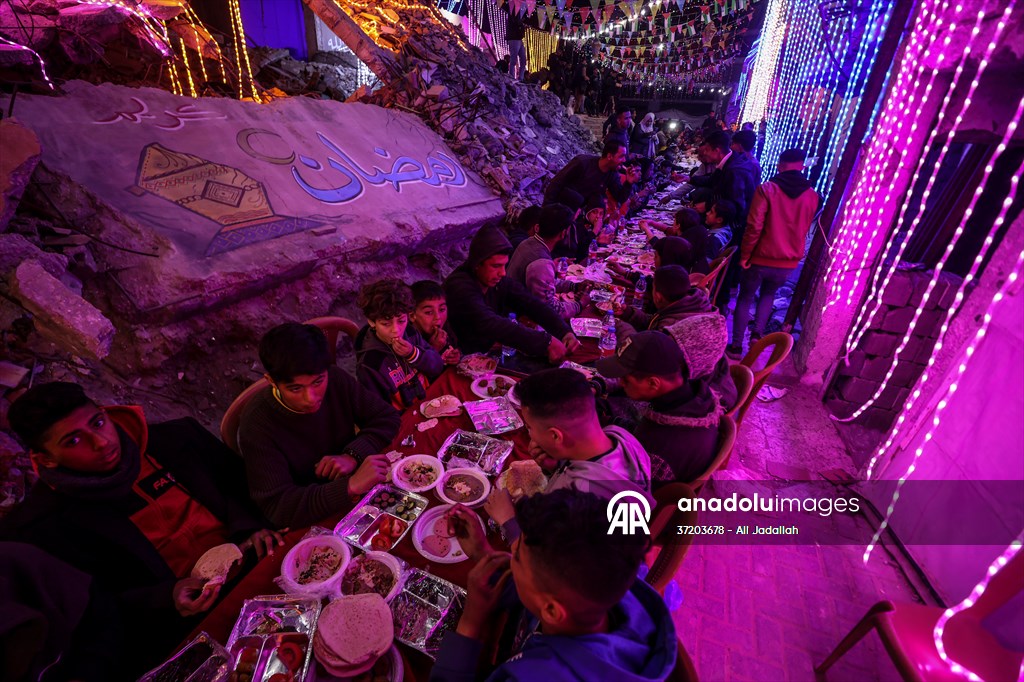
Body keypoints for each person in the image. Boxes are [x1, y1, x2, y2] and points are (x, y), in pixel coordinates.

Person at [0, 382, 284, 676]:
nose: (101, 442)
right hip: (189, 622)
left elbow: (240, 483)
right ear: (46, 458)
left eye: (98, 422)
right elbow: (95, 610)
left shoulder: (177, 439)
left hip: (262, 562)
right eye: (73, 441)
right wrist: (166, 597)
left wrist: (249, 528)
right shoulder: (43, 529)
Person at [431, 489, 677, 682]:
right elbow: (538, 594)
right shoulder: (606, 583)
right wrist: (482, 553)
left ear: (551, 611)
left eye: (517, 557)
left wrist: (470, 623)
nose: (510, 557)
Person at [239, 323, 400, 528]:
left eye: (317, 382)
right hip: (312, 515)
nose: (311, 398)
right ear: (271, 381)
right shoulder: (257, 423)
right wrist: (349, 486)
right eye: (295, 388)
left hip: (356, 487)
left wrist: (352, 456)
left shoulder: (335, 379)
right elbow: (278, 507)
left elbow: (386, 417)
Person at [484, 368, 652, 538]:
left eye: (529, 427)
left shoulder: (575, 499)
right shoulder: (623, 438)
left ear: (555, 436)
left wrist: (508, 520)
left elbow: (542, 553)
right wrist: (556, 468)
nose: (530, 435)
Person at [596, 332, 721, 485]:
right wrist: (612, 422)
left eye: (626, 380)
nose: (621, 383)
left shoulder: (658, 452)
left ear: (653, 383)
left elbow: (628, 492)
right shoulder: (695, 400)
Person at [729, 148, 820, 357]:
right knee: (768, 295)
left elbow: (754, 226)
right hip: (788, 260)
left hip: (760, 257)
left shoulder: (767, 189)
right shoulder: (812, 196)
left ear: (780, 165)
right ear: (802, 166)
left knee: (745, 297)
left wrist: (745, 255)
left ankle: (735, 347)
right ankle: (756, 338)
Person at [443, 224, 580, 361]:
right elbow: (492, 324)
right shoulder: (460, 287)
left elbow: (531, 303)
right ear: (477, 264)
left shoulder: (493, 279)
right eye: (496, 266)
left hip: (486, 353)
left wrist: (563, 331)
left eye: (504, 265)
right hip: (462, 359)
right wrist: (546, 342)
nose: (502, 273)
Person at [354, 279, 444, 409]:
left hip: (430, 401)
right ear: (372, 322)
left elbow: (437, 366)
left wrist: (413, 354)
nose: (396, 330)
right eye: (386, 324)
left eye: (401, 321)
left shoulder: (410, 333)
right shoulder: (370, 364)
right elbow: (378, 410)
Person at [507, 203, 589, 319]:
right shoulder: (541, 262)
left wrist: (573, 286)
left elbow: (546, 283)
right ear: (563, 233)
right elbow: (550, 310)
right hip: (518, 318)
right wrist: (580, 305)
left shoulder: (528, 243)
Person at [617, 265, 716, 338]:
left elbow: (641, 350)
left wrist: (620, 326)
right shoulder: (693, 303)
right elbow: (655, 322)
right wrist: (628, 313)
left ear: (658, 297)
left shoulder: (669, 331)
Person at [543, 139, 636, 213]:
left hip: (579, 215)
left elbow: (619, 197)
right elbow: (556, 183)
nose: (624, 160)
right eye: (621, 156)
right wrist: (547, 209)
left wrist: (629, 182)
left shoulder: (611, 173)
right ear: (609, 156)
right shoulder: (582, 163)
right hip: (560, 209)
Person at [410, 280, 461, 365]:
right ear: (412, 315)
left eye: (442, 309)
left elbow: (453, 348)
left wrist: (455, 357)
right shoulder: (409, 339)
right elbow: (414, 371)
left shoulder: (445, 328)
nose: (438, 317)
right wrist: (433, 349)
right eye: (429, 312)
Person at [506, 8, 527, 80]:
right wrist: (521, 23)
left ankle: (521, 78)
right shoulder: (512, 11)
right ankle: (511, 77)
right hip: (514, 38)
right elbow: (516, 23)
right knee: (513, 59)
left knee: (523, 60)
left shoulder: (518, 12)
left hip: (518, 38)